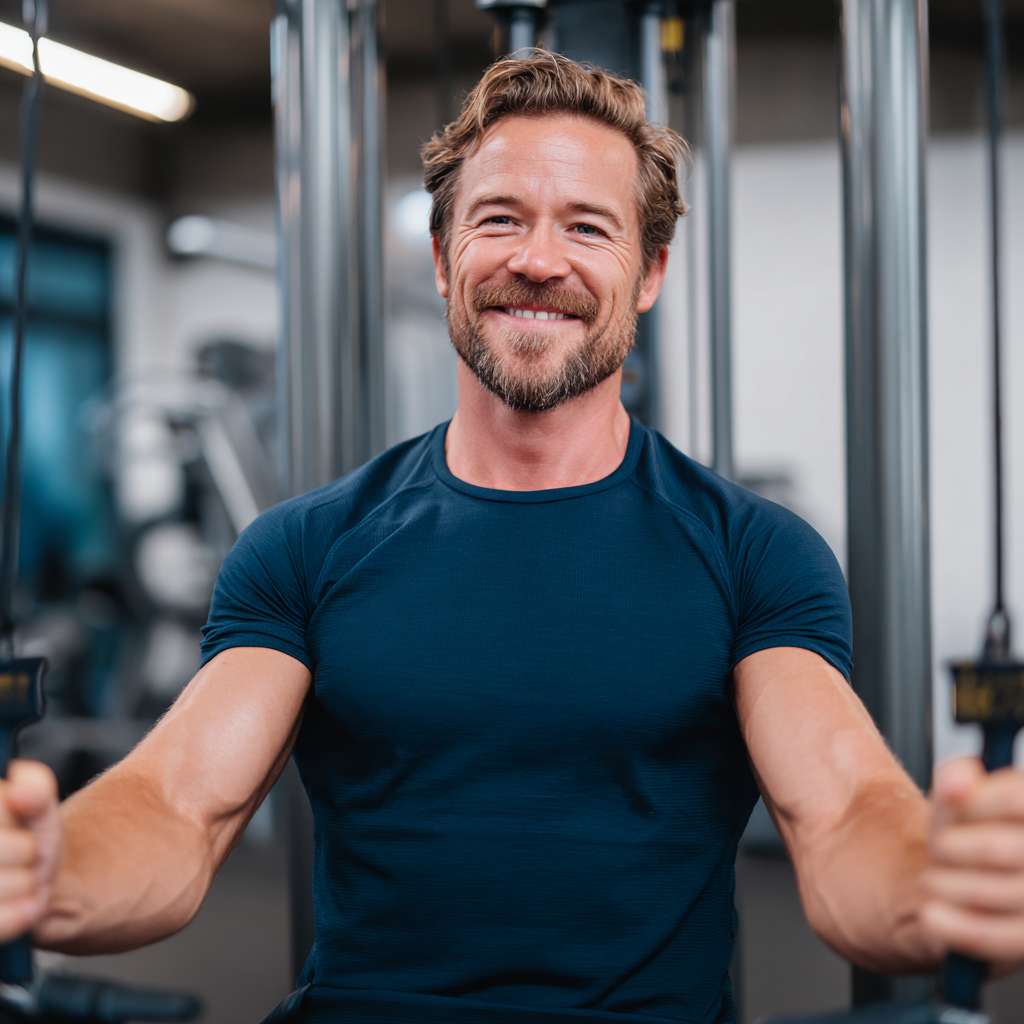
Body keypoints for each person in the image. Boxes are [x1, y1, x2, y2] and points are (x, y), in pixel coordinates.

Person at [1, 52, 1023, 1024]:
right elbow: (179, 804)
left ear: (650, 271)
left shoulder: (755, 552)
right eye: (500, 220)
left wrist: (930, 878)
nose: (538, 260)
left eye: (588, 227)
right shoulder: (303, 546)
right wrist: (45, 868)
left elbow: (839, 809)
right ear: (446, 262)